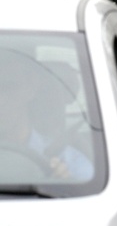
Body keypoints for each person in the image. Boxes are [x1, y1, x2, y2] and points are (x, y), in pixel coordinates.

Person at [0, 49, 94, 180]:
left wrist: (62, 188)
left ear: (31, 88)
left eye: (9, 87)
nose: (1, 100)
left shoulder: (71, 165)